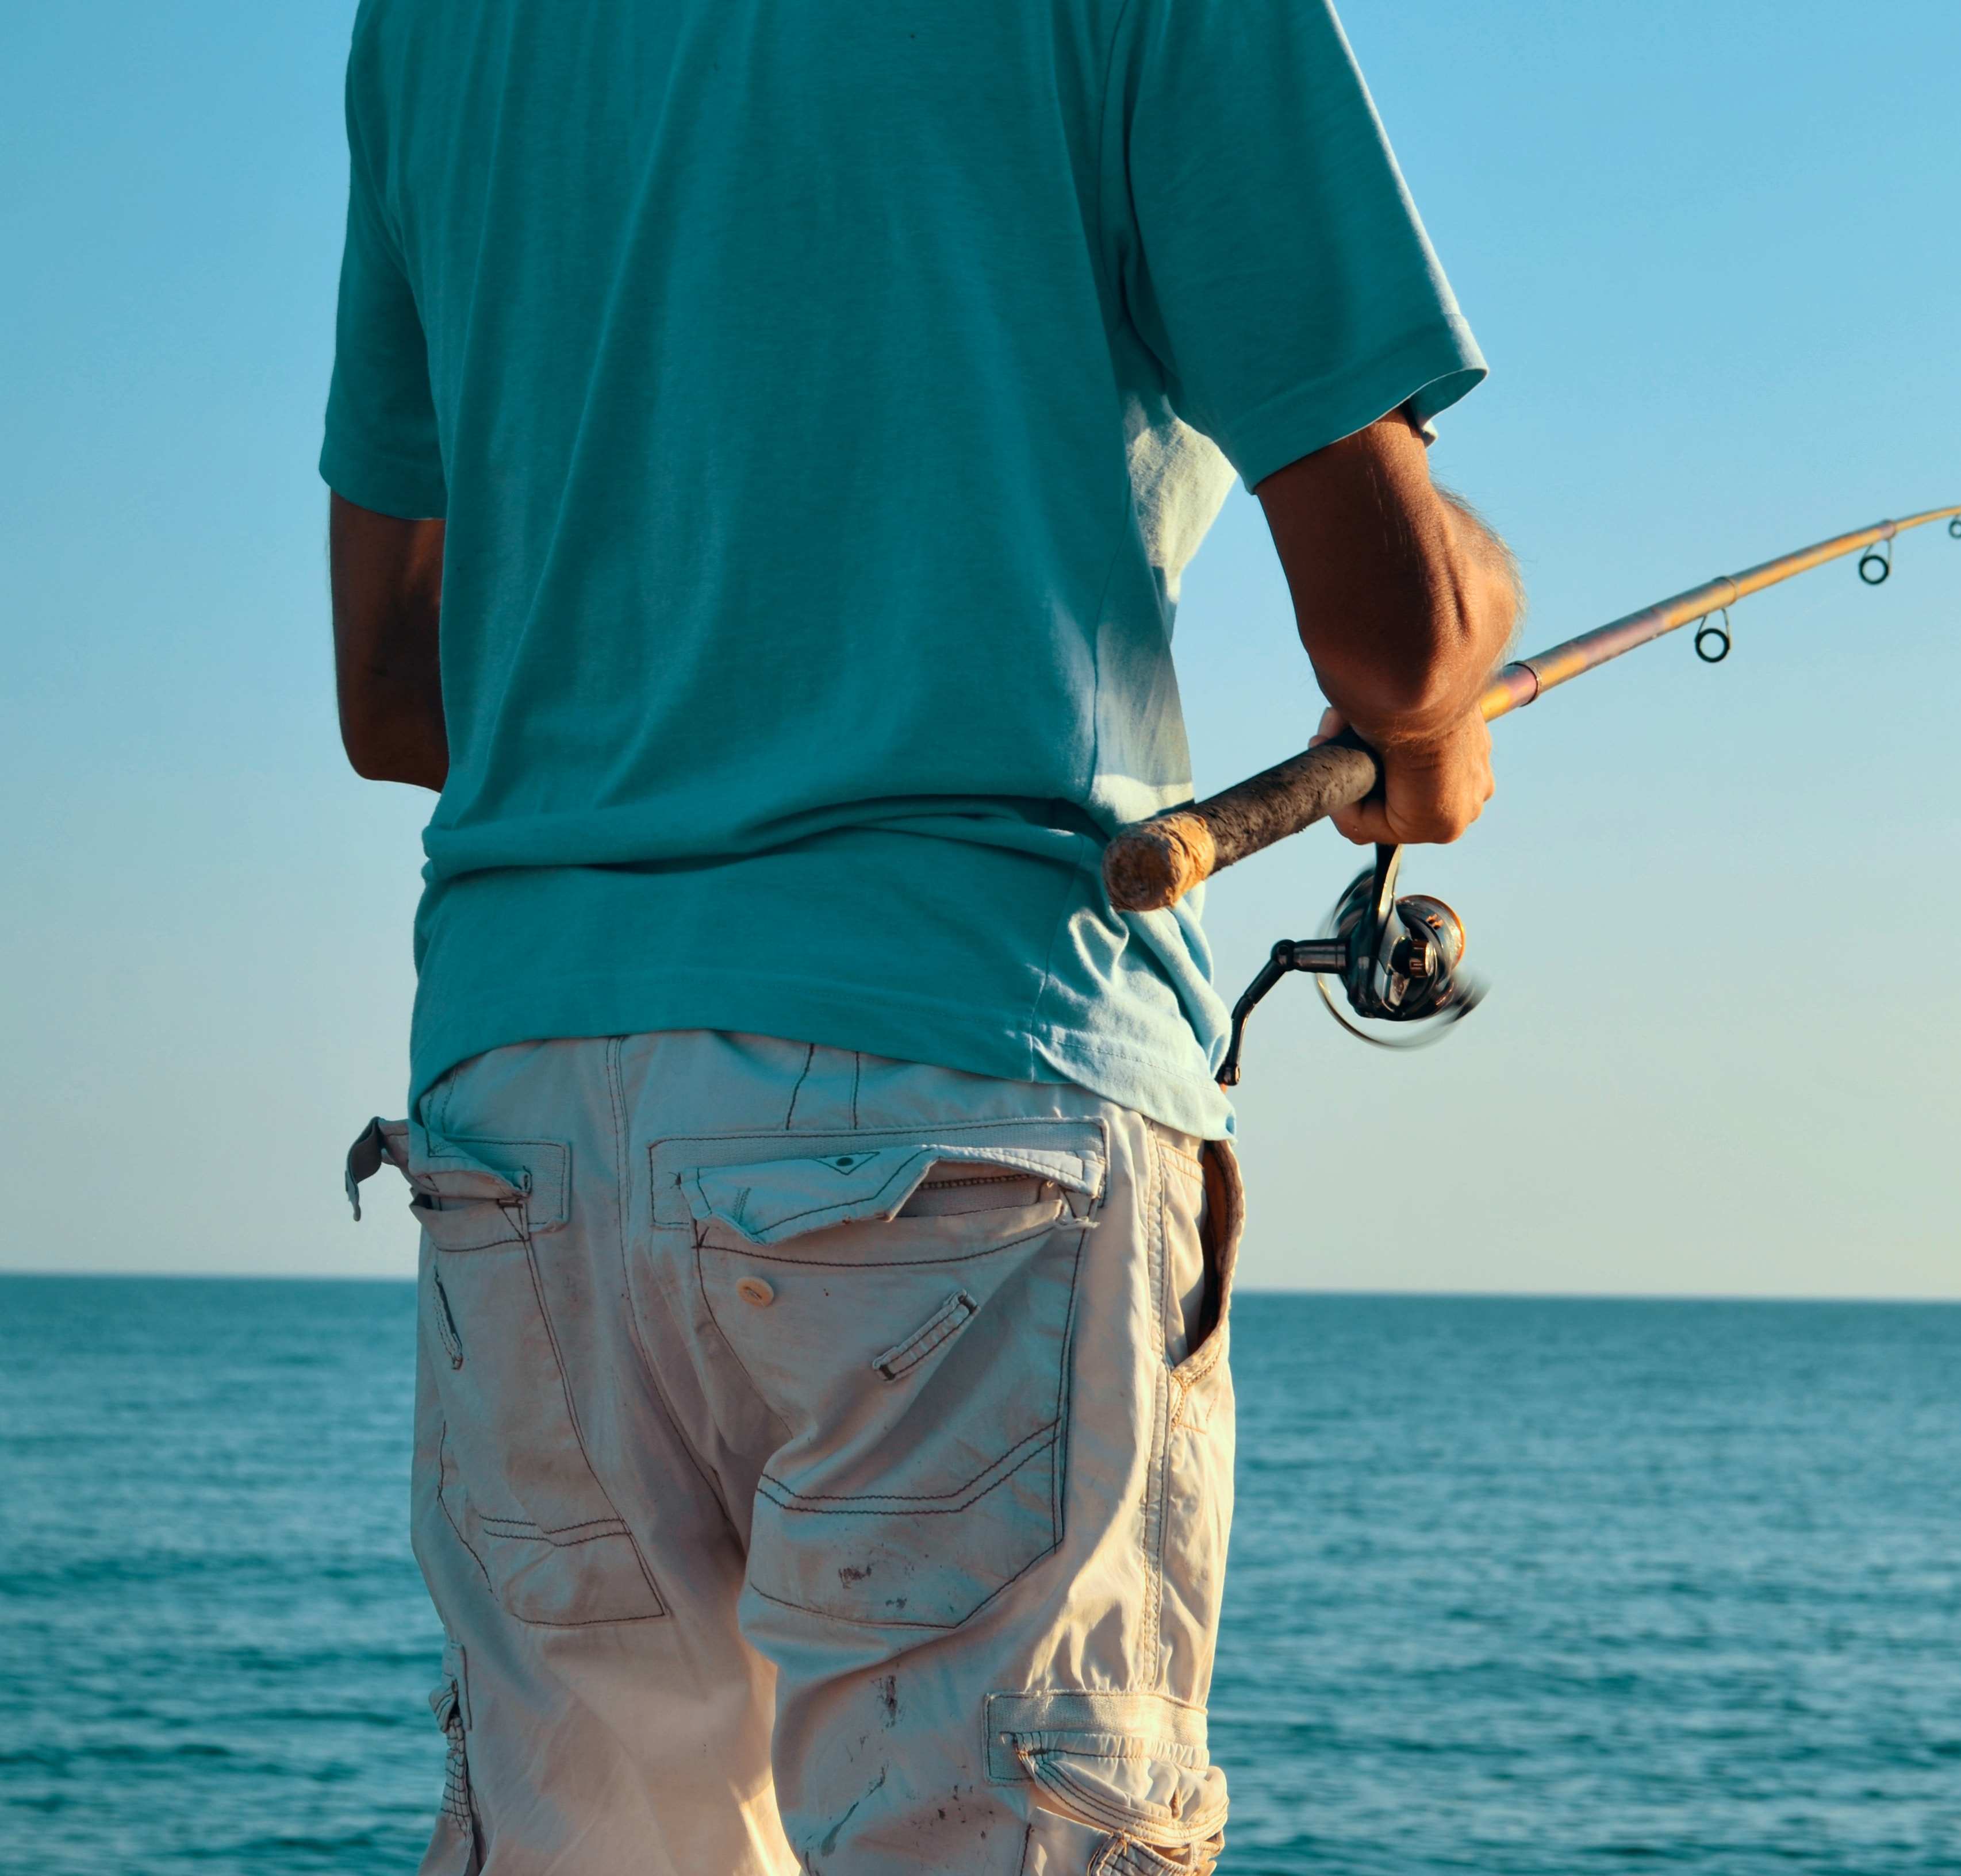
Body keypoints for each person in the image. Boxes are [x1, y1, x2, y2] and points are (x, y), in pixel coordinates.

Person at [322, 1, 1521, 1869]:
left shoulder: (426, 29)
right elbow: (1400, 642)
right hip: (972, 1086)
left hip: (521, 1125)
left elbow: (396, 690)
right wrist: (1465, 648)